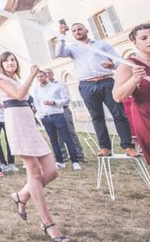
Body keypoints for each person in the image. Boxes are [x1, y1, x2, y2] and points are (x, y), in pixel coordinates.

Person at [0, 52, 68, 242]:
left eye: (13, 59)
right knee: (34, 173)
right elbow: (19, 95)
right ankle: (47, 223)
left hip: (29, 122)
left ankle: (21, 196)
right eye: (6, 60)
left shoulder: (18, 79)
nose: (10, 62)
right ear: (1, 64)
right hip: (16, 123)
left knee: (52, 171)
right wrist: (32, 75)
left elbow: (27, 99)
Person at [56, 22, 137, 157]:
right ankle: (105, 147)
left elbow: (117, 59)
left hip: (106, 81)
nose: (77, 32)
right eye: (74, 30)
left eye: (79, 29)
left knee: (119, 114)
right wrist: (61, 35)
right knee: (96, 116)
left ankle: (128, 146)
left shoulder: (101, 45)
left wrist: (112, 65)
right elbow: (58, 53)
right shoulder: (72, 48)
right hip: (86, 84)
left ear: (86, 30)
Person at [113, 23, 150, 215]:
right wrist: (134, 80)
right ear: (134, 42)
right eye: (144, 38)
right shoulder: (130, 65)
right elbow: (117, 96)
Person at [32, 71, 82, 171]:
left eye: (42, 76)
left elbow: (66, 99)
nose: (40, 78)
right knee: (54, 140)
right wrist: (41, 115)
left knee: (67, 139)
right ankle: (60, 161)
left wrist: (54, 102)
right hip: (46, 117)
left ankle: (75, 161)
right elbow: (36, 102)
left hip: (58, 115)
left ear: (46, 76)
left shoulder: (56, 86)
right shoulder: (36, 89)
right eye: (38, 77)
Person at [44, 69, 86, 163]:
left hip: (64, 110)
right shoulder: (43, 88)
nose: (47, 75)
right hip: (53, 113)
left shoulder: (60, 84)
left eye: (49, 73)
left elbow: (66, 99)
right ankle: (63, 155)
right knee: (58, 135)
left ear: (52, 74)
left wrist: (54, 103)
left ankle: (79, 154)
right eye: (45, 74)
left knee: (71, 133)